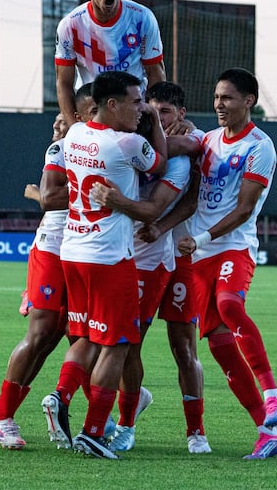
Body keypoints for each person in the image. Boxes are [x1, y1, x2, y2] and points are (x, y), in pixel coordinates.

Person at [41, 70, 167, 460]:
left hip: (74, 253)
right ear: (111, 105)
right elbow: (159, 164)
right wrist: (158, 123)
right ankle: (94, 431)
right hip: (111, 257)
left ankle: (60, 395)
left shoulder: (75, 135)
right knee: (118, 344)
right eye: (135, 101)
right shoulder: (127, 143)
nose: (141, 108)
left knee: (85, 338)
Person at [172, 67, 277, 460]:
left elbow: (244, 210)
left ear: (248, 101)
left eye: (227, 98)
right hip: (200, 256)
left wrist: (202, 238)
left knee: (229, 304)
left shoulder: (261, 146)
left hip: (232, 246)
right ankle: (266, 431)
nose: (219, 105)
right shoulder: (207, 141)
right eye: (216, 97)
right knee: (222, 348)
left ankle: (273, 396)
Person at [90, 82, 209, 454]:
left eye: (164, 113)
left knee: (184, 347)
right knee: (128, 344)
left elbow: (188, 200)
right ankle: (126, 425)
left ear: (181, 115)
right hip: (139, 258)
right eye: (147, 110)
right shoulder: (127, 143)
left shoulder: (186, 149)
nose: (151, 117)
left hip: (178, 257)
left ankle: (196, 431)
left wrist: (160, 226)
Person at [0, 86, 97, 450]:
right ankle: (1, 416)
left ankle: (96, 411)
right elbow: (49, 198)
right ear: (79, 114)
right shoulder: (62, 146)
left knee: (69, 338)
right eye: (92, 109)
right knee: (41, 332)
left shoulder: (110, 145)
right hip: (53, 246)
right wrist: (98, 188)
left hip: (85, 251)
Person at [54, 0, 165, 127]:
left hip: (133, 112)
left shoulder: (143, 18)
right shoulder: (70, 25)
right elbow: (63, 83)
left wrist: (151, 121)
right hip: (93, 112)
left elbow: (156, 73)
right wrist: (74, 129)